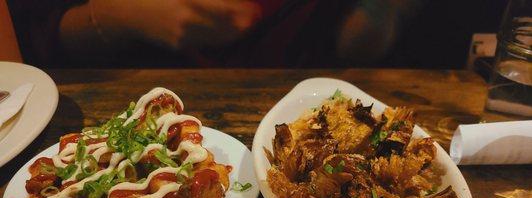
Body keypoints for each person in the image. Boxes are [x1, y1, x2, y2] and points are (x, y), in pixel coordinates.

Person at [8, 0, 423, 68]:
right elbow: (38, 35)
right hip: (124, 97)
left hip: (293, 101)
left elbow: (351, 45)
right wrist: (123, 14)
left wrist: (384, 10)